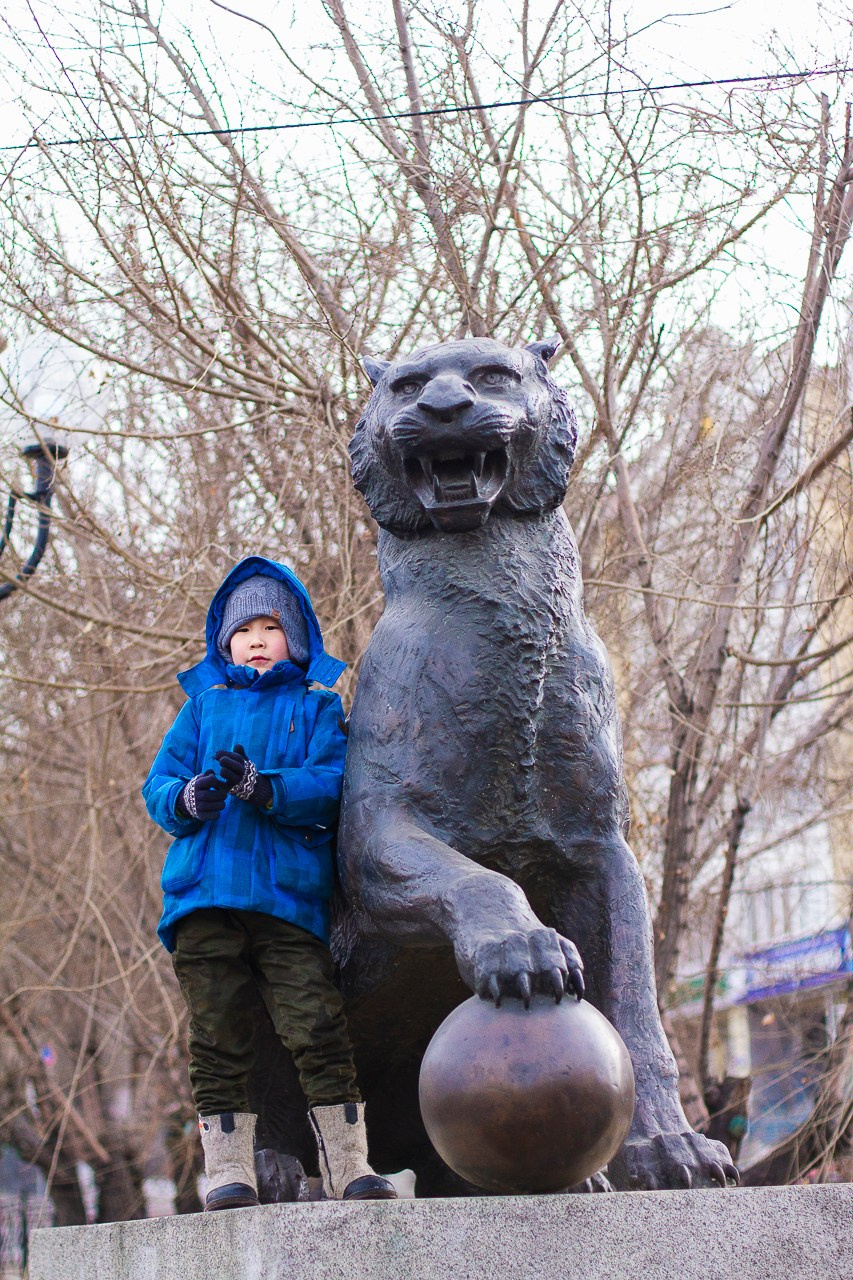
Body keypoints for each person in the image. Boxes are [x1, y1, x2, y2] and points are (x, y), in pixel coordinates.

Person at [143, 556, 397, 1210]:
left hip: (288, 902)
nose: (256, 640)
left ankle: (350, 1167)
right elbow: (158, 785)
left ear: (296, 637)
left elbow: (332, 786)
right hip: (204, 899)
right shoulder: (202, 708)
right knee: (217, 1035)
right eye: (243, 630)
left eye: (270, 627)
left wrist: (264, 788)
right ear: (223, 642)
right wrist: (188, 798)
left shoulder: (317, 707)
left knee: (317, 1027)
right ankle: (229, 1172)